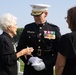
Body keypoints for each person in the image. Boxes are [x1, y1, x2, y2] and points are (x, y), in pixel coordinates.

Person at [17, 4, 61, 75]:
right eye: (34, 15)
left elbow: (58, 51)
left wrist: (46, 64)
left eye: (38, 15)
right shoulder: (28, 28)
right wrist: (30, 59)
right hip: (30, 69)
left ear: (46, 14)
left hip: (46, 69)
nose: (35, 18)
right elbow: (20, 47)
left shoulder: (54, 29)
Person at [55, 6, 76, 75]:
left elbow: (59, 65)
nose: (66, 20)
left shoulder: (67, 38)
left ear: (72, 19)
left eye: (67, 18)